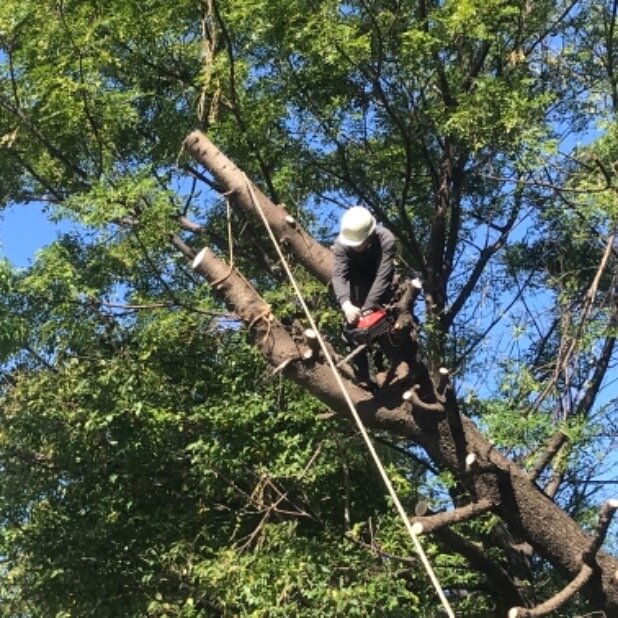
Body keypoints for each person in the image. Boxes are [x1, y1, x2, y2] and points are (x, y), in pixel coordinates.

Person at [331, 206, 397, 385]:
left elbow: (384, 275)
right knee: (353, 330)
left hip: (383, 289)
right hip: (357, 287)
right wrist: (346, 304)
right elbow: (339, 276)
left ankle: (393, 367)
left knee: (391, 329)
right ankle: (365, 376)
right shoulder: (342, 245)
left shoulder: (386, 240)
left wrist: (369, 308)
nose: (357, 247)